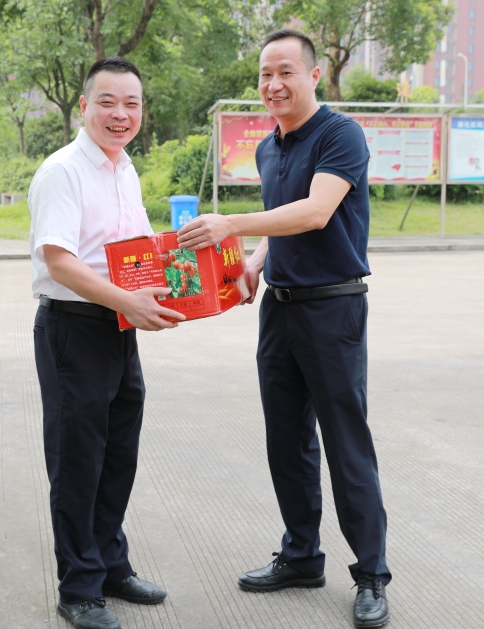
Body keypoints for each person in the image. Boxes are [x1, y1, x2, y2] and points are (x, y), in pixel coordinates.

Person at [177, 29, 391, 629]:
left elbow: (317, 212)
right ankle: (301, 556)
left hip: (333, 310)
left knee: (346, 442)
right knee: (287, 440)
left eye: (286, 72)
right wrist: (253, 262)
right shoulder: (269, 148)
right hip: (280, 308)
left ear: (313, 75)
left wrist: (230, 224)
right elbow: (283, 222)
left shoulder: (340, 134)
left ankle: (372, 574)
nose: (273, 84)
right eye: (265, 74)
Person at [29, 57, 185, 629]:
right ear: (84, 106)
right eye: (108, 102)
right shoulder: (63, 171)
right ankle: (78, 588)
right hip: (74, 328)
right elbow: (60, 262)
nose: (121, 114)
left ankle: (110, 566)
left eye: (132, 103)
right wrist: (128, 302)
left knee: (118, 455)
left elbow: (136, 251)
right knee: (78, 462)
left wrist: (198, 278)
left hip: (119, 327)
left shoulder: (124, 169)